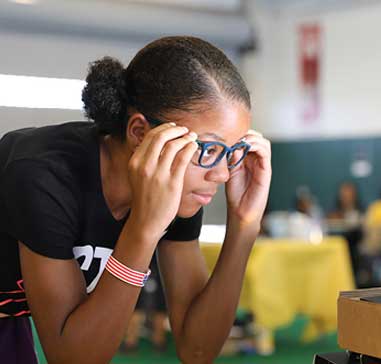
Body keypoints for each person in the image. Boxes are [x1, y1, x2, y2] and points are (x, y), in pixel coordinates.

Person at [0, 36, 271, 364]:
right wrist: (143, 229)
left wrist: (244, 227)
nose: (222, 175)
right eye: (210, 149)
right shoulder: (44, 176)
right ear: (140, 132)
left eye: (233, 151)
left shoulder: (179, 182)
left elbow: (197, 350)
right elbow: (72, 358)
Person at [327, 181, 364, 277]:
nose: (346, 197)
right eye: (344, 194)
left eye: (349, 194)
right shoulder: (334, 212)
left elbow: (361, 234)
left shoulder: (359, 211)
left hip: (354, 251)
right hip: (337, 251)